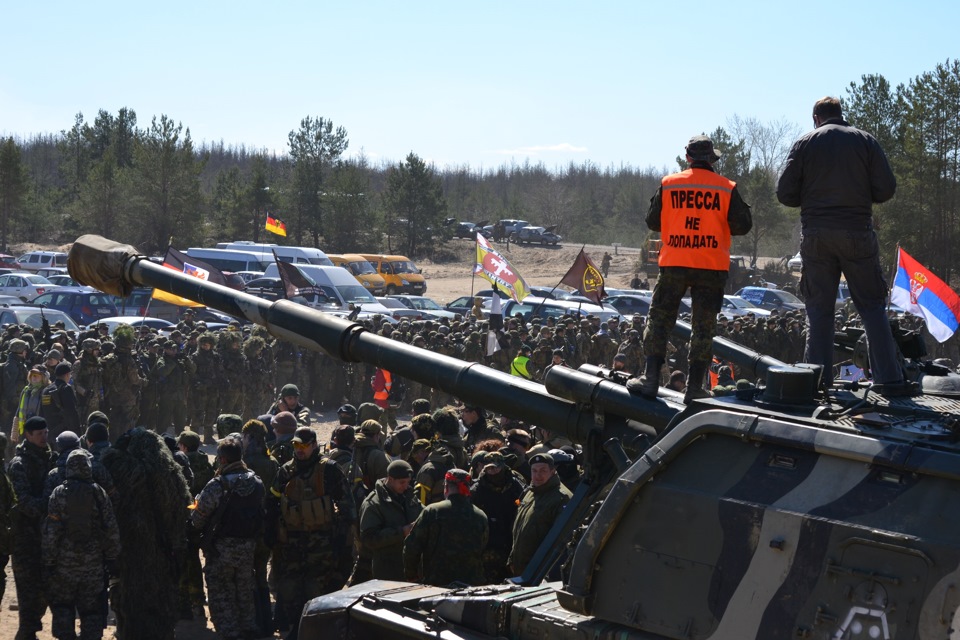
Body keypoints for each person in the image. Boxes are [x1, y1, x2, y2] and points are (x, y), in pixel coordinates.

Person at [776, 96, 909, 395]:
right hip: (856, 233)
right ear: (841, 115)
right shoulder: (865, 141)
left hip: (816, 236)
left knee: (819, 310)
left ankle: (816, 383)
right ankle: (889, 380)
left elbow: (784, 193)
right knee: (872, 308)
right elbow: (886, 189)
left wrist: (811, 198)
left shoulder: (805, 143)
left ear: (816, 119)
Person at [632, 135, 752, 403]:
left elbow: (653, 222)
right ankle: (695, 388)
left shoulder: (669, 184)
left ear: (687, 158)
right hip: (710, 266)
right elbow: (743, 226)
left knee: (659, 320)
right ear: (712, 159)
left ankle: (650, 378)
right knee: (703, 328)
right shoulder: (726, 187)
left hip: (675, 262)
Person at [265, 426, 355, 638]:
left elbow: (347, 508)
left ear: (314, 445)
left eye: (304, 445)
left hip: (322, 544)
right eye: (296, 445)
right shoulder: (286, 471)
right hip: (292, 544)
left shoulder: (330, 470)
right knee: (288, 591)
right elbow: (272, 502)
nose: (299, 450)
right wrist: (270, 532)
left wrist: (343, 541)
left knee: (316, 592)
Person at [42, 449, 121, 640]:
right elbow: (111, 528)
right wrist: (112, 558)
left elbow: (51, 532)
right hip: (93, 565)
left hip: (64, 566)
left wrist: (49, 561)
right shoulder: (99, 493)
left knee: (63, 606)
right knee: (92, 609)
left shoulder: (58, 493)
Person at [191, 436, 264, 640]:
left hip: (220, 548)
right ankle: (249, 626)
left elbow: (199, 517)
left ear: (222, 459)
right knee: (244, 588)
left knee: (220, 591)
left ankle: (230, 631)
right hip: (248, 545)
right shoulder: (256, 482)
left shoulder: (218, 484)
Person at [8, 416, 56, 639]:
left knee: (47, 591)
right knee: (28, 594)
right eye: (39, 434)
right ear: (28, 435)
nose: (44, 438)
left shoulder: (50, 458)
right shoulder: (20, 464)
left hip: (46, 538)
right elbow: (24, 502)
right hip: (25, 539)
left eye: (46, 433)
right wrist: (50, 505)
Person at [402, 468, 488, 586]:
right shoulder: (480, 515)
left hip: (437, 583)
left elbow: (412, 546)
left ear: (446, 487)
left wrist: (411, 575)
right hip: (471, 583)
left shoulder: (432, 511)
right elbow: (483, 547)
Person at [509, 452, 573, 575]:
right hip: (522, 568)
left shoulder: (562, 497)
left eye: (543, 470)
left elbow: (562, 540)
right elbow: (519, 528)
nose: (538, 475)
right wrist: (512, 559)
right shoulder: (529, 492)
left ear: (553, 471)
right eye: (534, 471)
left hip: (541, 571)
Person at [358, 459, 423, 581]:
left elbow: (422, 513)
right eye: (402, 482)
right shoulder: (373, 504)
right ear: (390, 479)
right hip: (388, 572)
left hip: (412, 570)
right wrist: (401, 532)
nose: (405, 486)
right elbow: (368, 538)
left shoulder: (409, 496)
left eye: (408, 482)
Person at [40, 362, 81, 440]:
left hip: (49, 431)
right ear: (67, 375)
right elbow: (72, 411)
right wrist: (77, 430)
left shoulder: (46, 390)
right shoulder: (65, 388)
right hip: (64, 431)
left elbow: (42, 411)